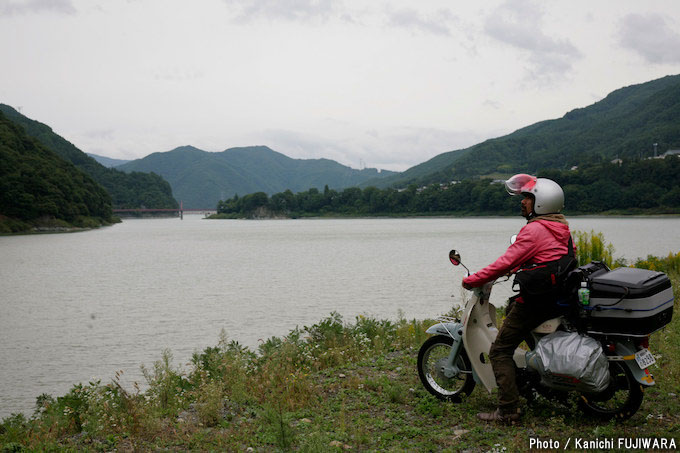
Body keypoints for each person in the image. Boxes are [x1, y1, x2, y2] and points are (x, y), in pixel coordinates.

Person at [461, 174, 574, 423]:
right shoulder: (561, 227)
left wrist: (473, 280)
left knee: (499, 351)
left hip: (537, 301)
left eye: (528, 198)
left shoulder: (534, 230)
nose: (523, 202)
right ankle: (534, 376)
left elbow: (505, 262)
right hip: (557, 298)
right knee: (512, 306)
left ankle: (508, 410)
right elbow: (551, 258)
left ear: (541, 203)